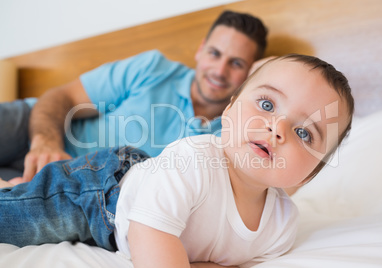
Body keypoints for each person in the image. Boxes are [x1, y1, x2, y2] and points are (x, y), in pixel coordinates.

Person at [0, 54, 355, 267]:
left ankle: (21, 186)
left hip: (130, 202)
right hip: (103, 192)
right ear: (229, 110)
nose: (277, 127)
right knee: (18, 218)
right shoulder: (195, 160)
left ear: (310, 174)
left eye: (305, 133)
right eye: (266, 104)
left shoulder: (280, 226)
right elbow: (149, 232)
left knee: (28, 195)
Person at [0, 10, 268, 183]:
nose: (219, 71)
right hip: (35, 127)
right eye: (214, 53)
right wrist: (44, 141)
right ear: (200, 50)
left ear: (250, 72)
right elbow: (62, 97)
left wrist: (264, 79)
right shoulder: (152, 67)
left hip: (62, 184)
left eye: (236, 64)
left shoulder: (232, 135)